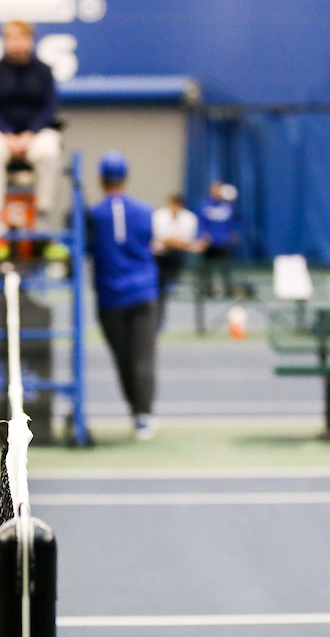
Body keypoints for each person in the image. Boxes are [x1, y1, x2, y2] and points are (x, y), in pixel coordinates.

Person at [87, 152, 160, 441]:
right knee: (144, 357)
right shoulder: (145, 211)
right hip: (143, 294)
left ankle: (136, 410)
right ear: (126, 178)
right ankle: (143, 415)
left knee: (123, 358)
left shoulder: (93, 215)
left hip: (110, 297)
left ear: (100, 179)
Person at [0, 20, 61, 238]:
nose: (14, 43)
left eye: (19, 37)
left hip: (35, 136)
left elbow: (48, 108)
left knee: (50, 149)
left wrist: (30, 134)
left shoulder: (43, 71)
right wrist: (7, 135)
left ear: (29, 40)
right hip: (2, 137)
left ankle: (42, 214)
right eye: (9, 38)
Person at [151, 192, 197, 330]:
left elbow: (187, 241)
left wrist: (175, 243)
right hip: (159, 256)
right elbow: (161, 238)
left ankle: (173, 280)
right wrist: (174, 242)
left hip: (178, 255)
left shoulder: (189, 218)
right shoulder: (159, 216)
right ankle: (166, 282)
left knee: (175, 255)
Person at [195, 181, 239, 299]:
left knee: (225, 268)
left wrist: (232, 233)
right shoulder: (203, 204)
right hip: (208, 243)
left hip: (223, 242)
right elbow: (200, 222)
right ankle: (206, 290)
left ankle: (228, 290)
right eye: (215, 189)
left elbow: (232, 222)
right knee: (206, 268)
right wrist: (202, 235)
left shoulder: (227, 205)